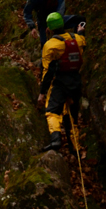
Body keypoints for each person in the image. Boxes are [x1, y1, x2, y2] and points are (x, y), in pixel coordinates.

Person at [37, 11, 86, 152]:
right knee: (72, 115)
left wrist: (42, 92)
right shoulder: (78, 39)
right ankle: (75, 146)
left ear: (49, 28)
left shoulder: (50, 45)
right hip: (76, 81)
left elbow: (47, 71)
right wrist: (81, 32)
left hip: (60, 82)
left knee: (52, 111)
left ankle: (56, 139)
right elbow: (82, 42)